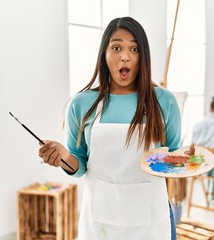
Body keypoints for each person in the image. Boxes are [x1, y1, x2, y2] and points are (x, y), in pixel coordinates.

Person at [38, 17, 181, 240]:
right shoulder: (81, 104)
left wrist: (185, 162)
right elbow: (80, 163)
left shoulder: (164, 101)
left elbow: (174, 157)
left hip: (151, 222)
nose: (125, 56)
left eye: (134, 49)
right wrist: (63, 156)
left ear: (143, 57)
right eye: (117, 47)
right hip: (100, 223)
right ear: (104, 54)